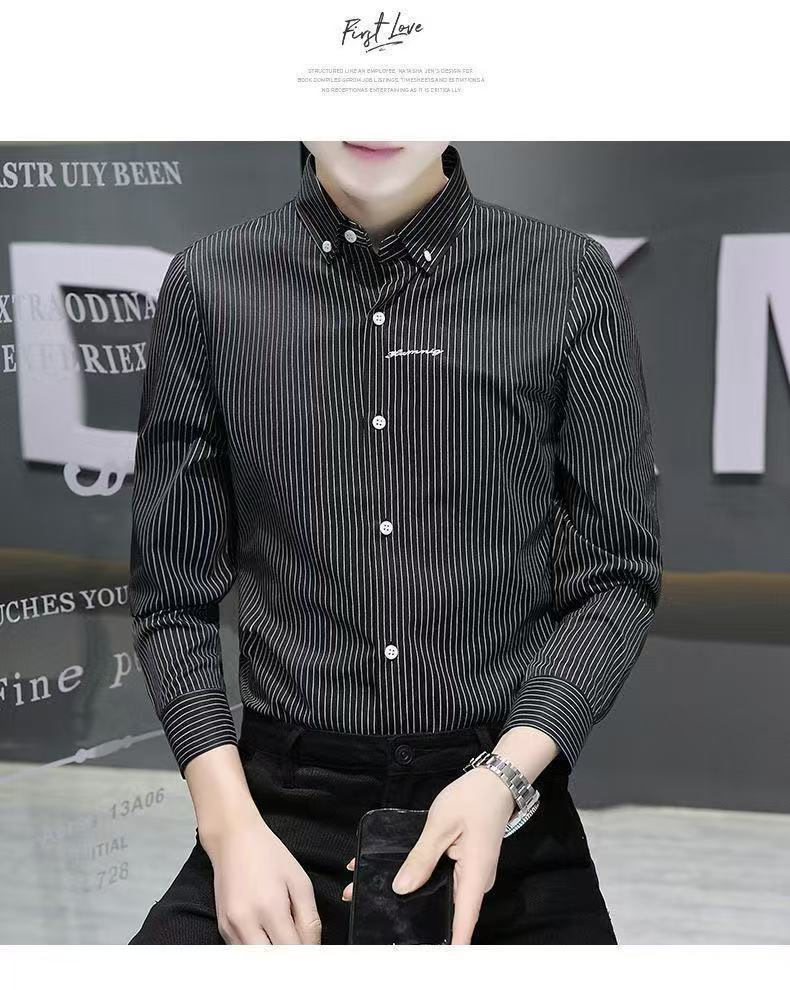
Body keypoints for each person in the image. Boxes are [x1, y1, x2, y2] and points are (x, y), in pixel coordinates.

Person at [127, 140, 662, 945]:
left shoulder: (567, 277)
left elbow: (616, 576)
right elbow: (173, 597)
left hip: (500, 799)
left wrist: (506, 776)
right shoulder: (210, 283)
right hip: (279, 808)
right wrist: (229, 829)